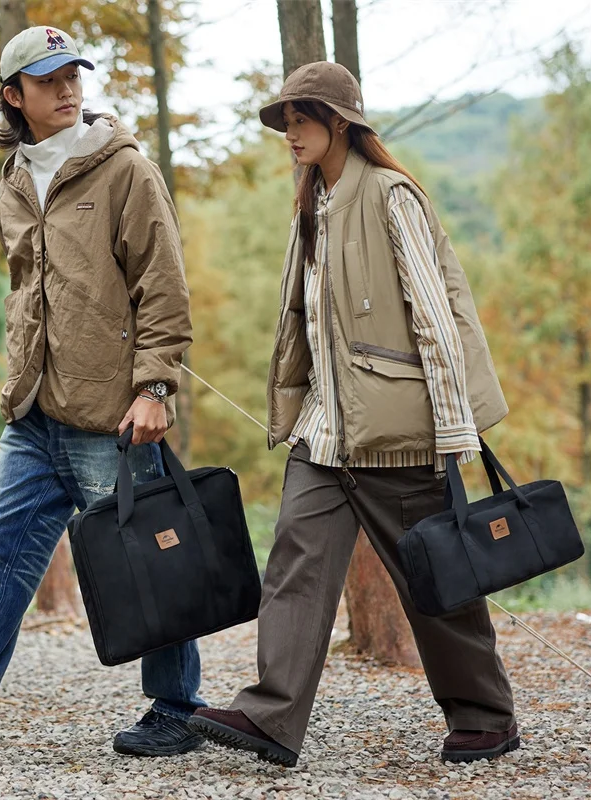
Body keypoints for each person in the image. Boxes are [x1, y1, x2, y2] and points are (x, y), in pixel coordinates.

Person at [0, 25, 206, 756]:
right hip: (32, 412)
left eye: (73, 75)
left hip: (112, 417)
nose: (66, 89)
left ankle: (177, 709)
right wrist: (19, 372)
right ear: (12, 96)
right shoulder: (15, 177)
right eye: (48, 80)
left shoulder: (125, 172)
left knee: (150, 564)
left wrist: (155, 385)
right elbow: (28, 290)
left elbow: (164, 287)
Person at [189, 62, 518, 768]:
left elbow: (436, 317)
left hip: (398, 432)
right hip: (325, 432)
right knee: (294, 568)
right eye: (284, 123)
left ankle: (486, 715)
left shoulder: (391, 195)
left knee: (433, 580)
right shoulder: (314, 204)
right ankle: (271, 716)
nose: (290, 135)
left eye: (301, 120)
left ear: (340, 121)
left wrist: (456, 432)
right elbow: (305, 325)